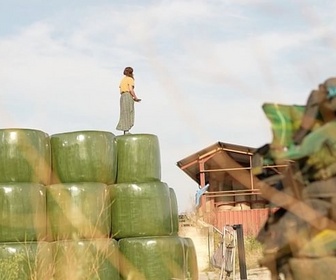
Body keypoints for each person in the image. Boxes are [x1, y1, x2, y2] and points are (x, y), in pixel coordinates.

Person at [116, 67, 141, 134]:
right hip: (127, 95)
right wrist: (135, 97)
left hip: (122, 96)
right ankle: (126, 130)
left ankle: (125, 130)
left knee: (124, 112)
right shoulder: (130, 79)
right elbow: (130, 89)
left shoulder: (123, 80)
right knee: (128, 112)